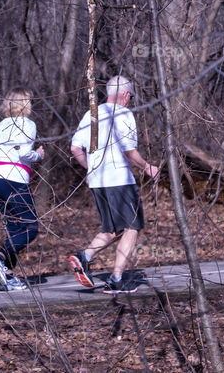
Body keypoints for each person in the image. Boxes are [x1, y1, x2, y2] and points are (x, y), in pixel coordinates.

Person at [68, 75, 159, 294]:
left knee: (114, 229)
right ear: (125, 94)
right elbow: (129, 151)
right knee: (132, 228)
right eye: (130, 97)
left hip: (98, 182)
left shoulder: (91, 114)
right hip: (119, 180)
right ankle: (116, 279)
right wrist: (147, 167)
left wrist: (90, 168)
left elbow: (75, 148)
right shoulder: (124, 114)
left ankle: (84, 256)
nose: (130, 101)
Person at [0, 88, 45, 291]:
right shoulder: (27, 124)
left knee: (14, 228)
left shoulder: (1, 125)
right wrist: (38, 155)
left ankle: (8, 274)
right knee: (30, 228)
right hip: (14, 179)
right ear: (26, 104)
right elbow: (25, 153)